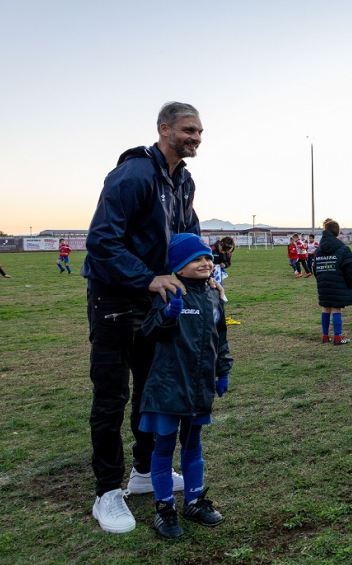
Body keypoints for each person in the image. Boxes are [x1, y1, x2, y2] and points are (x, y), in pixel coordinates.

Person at [81, 101, 205, 534]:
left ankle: (142, 471)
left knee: (151, 390)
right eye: (188, 130)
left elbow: (188, 236)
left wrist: (206, 271)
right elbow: (101, 241)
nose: (196, 138)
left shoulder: (184, 180)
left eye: (199, 132)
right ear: (164, 129)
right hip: (115, 297)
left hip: (154, 298)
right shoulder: (133, 174)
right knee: (111, 396)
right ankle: (106, 492)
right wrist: (147, 277)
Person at [138, 233, 233, 538]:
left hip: (199, 386)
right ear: (178, 267)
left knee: (193, 445)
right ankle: (164, 508)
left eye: (207, 258)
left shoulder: (214, 295)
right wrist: (167, 315)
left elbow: (221, 338)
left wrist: (222, 371)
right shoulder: (169, 292)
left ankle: (194, 500)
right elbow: (148, 330)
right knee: (164, 447)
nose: (205, 263)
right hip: (168, 387)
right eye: (196, 259)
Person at [315, 219, 352, 344]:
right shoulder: (343, 249)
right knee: (336, 308)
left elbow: (314, 267)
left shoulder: (318, 250)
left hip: (323, 283)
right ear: (337, 233)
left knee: (326, 308)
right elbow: (349, 269)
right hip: (338, 282)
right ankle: (338, 337)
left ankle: (325, 336)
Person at [211, 237, 240, 326]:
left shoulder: (227, 253)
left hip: (218, 277)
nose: (223, 252)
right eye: (222, 250)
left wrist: (225, 264)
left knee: (219, 294)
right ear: (219, 244)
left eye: (226, 251)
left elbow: (228, 262)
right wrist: (210, 264)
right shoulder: (211, 249)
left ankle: (219, 315)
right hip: (207, 275)